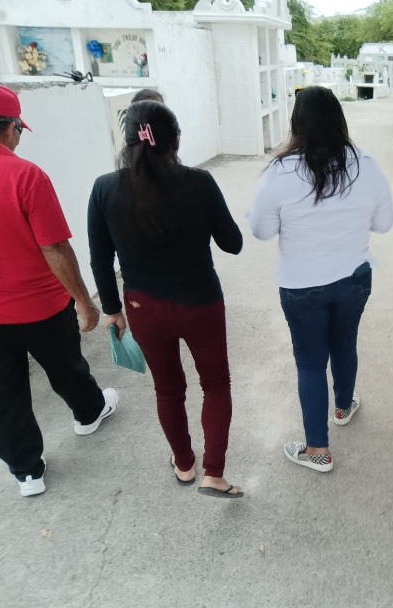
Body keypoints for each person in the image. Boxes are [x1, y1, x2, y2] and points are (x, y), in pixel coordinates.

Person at [0, 82, 118, 497]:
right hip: (41, 308)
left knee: (1, 395)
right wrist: (84, 302)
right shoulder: (25, 175)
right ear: (8, 127)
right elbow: (55, 248)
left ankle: (27, 472)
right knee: (67, 368)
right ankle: (89, 414)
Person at [88, 100, 244, 498]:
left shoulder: (104, 188)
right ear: (175, 139)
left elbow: (100, 259)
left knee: (168, 389)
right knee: (216, 385)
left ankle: (184, 464)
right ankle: (214, 474)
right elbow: (233, 243)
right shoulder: (199, 182)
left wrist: (112, 310)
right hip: (201, 303)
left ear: (127, 142)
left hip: (143, 308)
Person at [250, 86, 393, 473]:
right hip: (354, 278)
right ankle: (344, 406)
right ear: (339, 120)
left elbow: (261, 230)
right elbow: (384, 223)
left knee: (310, 363)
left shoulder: (279, 172)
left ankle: (317, 451)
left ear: (296, 124)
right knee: (344, 343)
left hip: (301, 285)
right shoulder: (366, 164)